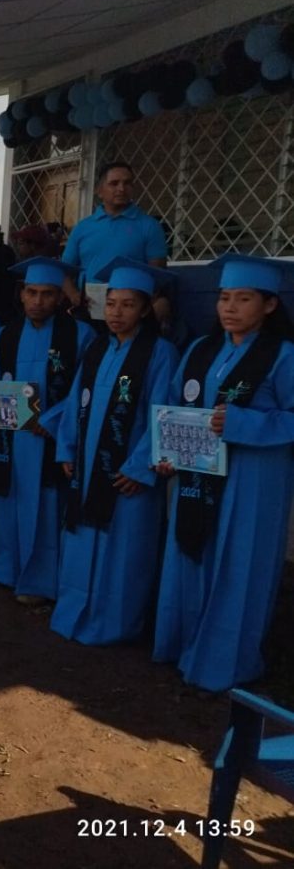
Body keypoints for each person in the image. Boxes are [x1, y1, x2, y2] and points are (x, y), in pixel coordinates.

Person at [152, 254, 294, 692]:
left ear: (269, 305)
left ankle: (224, 662)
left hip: (253, 480)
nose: (229, 308)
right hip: (196, 475)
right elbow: (175, 408)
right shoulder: (200, 350)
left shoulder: (283, 356)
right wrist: (166, 452)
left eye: (244, 298)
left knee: (238, 562)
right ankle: (183, 645)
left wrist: (243, 423)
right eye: (224, 297)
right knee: (191, 554)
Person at [51, 257, 179, 645]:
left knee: (124, 552)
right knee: (82, 540)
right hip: (88, 467)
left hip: (127, 473)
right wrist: (67, 450)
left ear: (145, 309)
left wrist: (140, 467)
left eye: (127, 304)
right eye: (110, 303)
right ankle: (74, 612)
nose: (116, 312)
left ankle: (116, 625)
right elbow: (75, 403)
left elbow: (163, 414)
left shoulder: (160, 353)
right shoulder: (96, 349)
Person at [0, 259, 96, 604]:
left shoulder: (80, 335)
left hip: (48, 438)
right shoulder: (6, 335)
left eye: (47, 294)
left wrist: (56, 419)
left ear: (60, 297)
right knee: (5, 498)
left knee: (46, 505)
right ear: (22, 293)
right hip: (11, 437)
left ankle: (41, 581)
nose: (38, 301)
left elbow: (83, 390)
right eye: (32, 292)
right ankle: (4, 569)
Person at [61, 161, 169, 319]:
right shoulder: (83, 228)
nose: (121, 189)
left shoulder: (149, 226)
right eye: (114, 183)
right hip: (89, 310)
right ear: (99, 190)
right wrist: (75, 296)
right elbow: (64, 270)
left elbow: (158, 275)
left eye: (127, 183)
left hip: (130, 315)